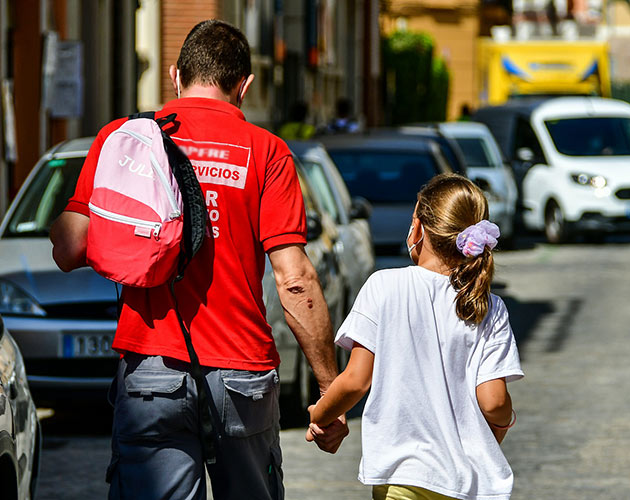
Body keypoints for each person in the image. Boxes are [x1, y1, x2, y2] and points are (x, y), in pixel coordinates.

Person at [49, 20, 348, 499]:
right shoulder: (267, 152)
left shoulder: (123, 140)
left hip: (150, 370)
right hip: (241, 376)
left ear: (175, 75)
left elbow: (67, 249)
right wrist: (330, 390)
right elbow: (295, 281)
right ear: (244, 86)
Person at [306, 174, 524, 500]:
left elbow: (355, 381)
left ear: (419, 228)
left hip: (404, 477)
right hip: (471, 484)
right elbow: (493, 402)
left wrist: (320, 414)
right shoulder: (489, 307)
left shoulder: (384, 287)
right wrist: (504, 424)